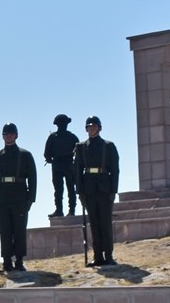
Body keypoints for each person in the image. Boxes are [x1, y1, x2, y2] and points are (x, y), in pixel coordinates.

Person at [0, 123, 36, 272]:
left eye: (11, 133)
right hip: (1, 198)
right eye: (6, 134)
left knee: (19, 230)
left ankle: (19, 261)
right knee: (4, 231)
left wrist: (30, 199)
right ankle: (6, 261)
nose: (8, 136)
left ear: (16, 135)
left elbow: (32, 179)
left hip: (20, 197)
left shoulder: (25, 155)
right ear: (2, 136)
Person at [74, 115, 120, 267]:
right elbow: (77, 170)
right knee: (94, 223)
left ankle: (108, 255)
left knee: (105, 223)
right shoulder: (80, 147)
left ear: (99, 128)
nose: (91, 128)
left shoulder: (108, 146)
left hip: (104, 188)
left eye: (94, 126)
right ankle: (97, 255)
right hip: (89, 189)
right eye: (89, 126)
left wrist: (113, 190)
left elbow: (115, 170)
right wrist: (79, 192)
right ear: (86, 129)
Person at [43, 113, 79, 217]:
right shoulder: (69, 137)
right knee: (62, 189)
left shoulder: (58, 137)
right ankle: (63, 210)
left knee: (67, 189)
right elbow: (47, 153)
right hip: (62, 164)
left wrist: (50, 159)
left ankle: (69, 210)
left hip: (64, 164)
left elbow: (79, 153)